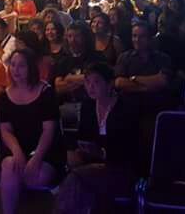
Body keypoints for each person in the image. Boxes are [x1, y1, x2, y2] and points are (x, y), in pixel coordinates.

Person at [56, 62, 144, 213]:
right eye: (87, 82)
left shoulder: (126, 108)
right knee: (72, 167)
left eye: (96, 82)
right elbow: (82, 137)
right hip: (92, 163)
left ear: (109, 84)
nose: (91, 87)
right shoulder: (88, 106)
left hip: (121, 168)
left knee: (76, 179)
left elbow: (131, 149)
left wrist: (103, 153)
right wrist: (79, 150)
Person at [0, 49, 65, 214]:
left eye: (21, 66)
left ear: (31, 68)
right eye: (13, 65)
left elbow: (48, 130)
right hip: (16, 146)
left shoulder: (46, 92)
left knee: (36, 177)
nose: (16, 70)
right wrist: (16, 151)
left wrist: (36, 159)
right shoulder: (4, 96)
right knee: (10, 167)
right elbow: (5, 130)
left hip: (44, 149)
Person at [114, 21, 174, 112]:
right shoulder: (124, 57)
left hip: (156, 107)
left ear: (150, 38)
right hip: (129, 107)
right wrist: (148, 87)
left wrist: (134, 78)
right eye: (134, 36)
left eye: (142, 36)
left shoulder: (163, 58)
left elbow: (163, 81)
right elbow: (119, 83)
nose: (137, 40)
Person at [51, 23, 105, 102]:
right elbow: (58, 87)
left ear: (85, 37)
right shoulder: (64, 60)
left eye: (77, 36)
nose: (73, 40)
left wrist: (70, 78)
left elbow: (97, 80)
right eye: (70, 36)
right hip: (68, 103)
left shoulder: (96, 57)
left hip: (92, 102)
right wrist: (82, 81)